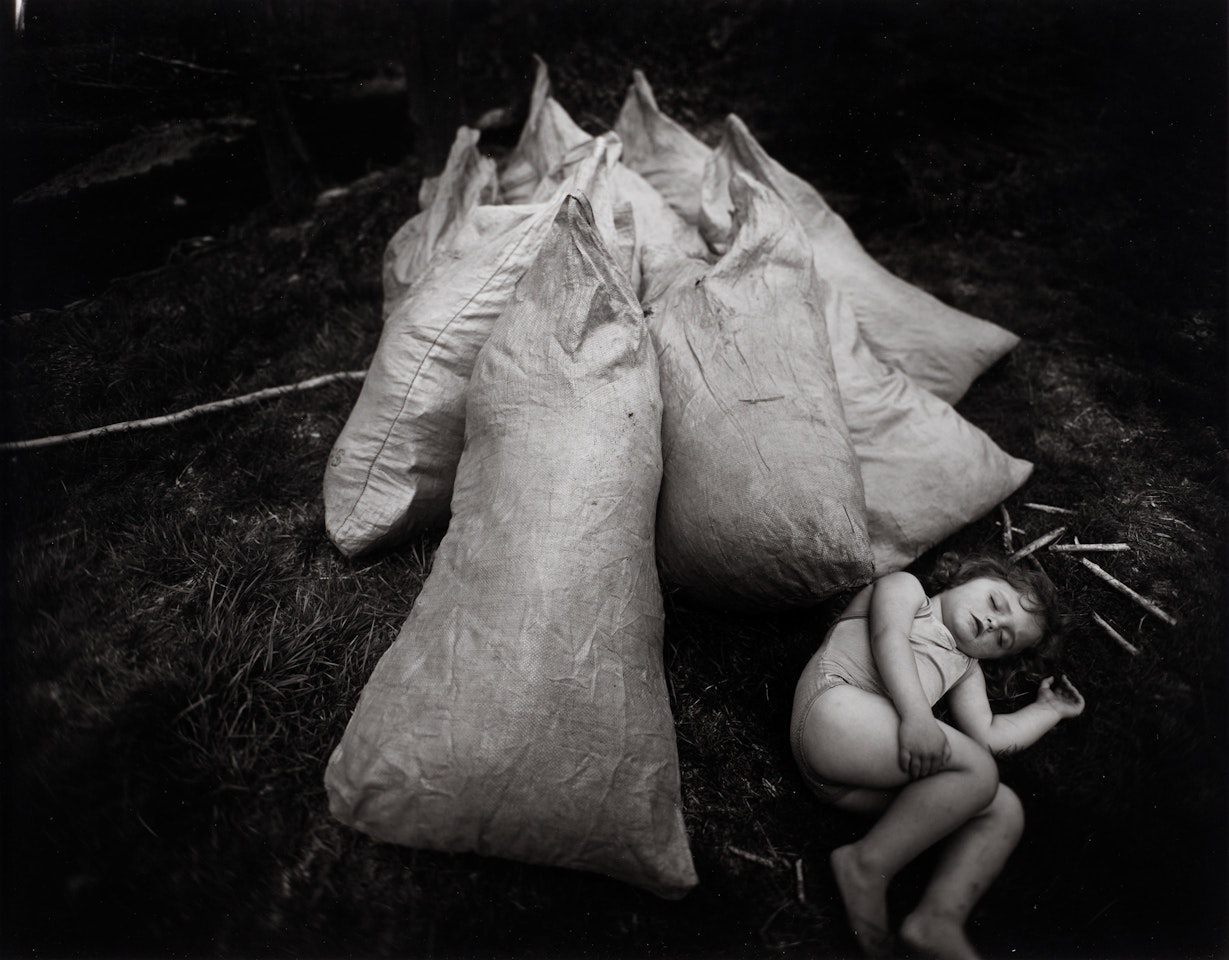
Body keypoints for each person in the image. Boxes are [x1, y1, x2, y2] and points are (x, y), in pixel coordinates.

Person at [790, 553, 1085, 960]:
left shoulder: (966, 670)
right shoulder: (908, 591)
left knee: (1002, 808)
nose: (994, 623)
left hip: (854, 782)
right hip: (832, 711)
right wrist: (916, 717)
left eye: (1004, 640)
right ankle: (866, 864)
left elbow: (989, 737)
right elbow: (888, 637)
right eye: (996, 603)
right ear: (970, 576)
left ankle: (937, 919)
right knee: (979, 773)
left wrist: (1048, 710)